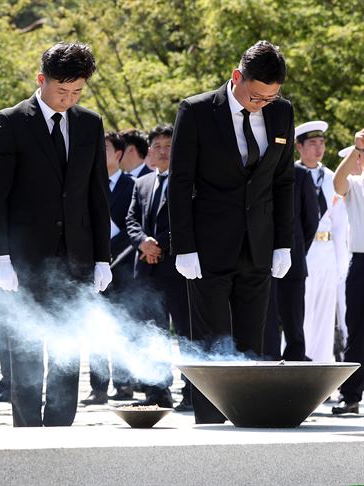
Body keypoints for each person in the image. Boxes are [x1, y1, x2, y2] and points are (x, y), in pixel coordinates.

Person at [168, 41, 295, 424]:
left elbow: (283, 181)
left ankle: (249, 423)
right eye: (257, 96)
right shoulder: (197, 111)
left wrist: (282, 244)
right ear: (237, 77)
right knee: (211, 344)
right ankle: (211, 426)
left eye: (270, 98)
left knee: (250, 342)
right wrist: (184, 247)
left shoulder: (281, 112)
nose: (262, 103)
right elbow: (179, 183)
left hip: (259, 246)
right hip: (207, 248)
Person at [0, 42, 112, 427]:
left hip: (75, 257)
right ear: (42, 79)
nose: (68, 99)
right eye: (62, 91)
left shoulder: (90, 123)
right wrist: (1, 256)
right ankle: (27, 431)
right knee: (25, 350)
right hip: (23, 261)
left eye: (77, 92)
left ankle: (61, 429)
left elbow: (96, 194)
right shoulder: (10, 122)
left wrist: (102, 257)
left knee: (67, 352)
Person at [126, 123, 190, 410]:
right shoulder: (141, 183)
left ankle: (193, 392)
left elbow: (186, 219)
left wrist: (159, 244)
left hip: (176, 270)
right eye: (158, 146)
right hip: (146, 271)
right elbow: (131, 220)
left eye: (169, 145)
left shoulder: (187, 180)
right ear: (149, 151)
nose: (163, 151)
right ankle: (157, 390)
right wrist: (143, 242)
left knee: (186, 332)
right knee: (151, 333)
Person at [81, 131, 134, 405]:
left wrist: (112, 240)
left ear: (118, 154)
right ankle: (97, 387)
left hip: (123, 266)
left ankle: (124, 383)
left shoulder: (132, 185)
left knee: (121, 327)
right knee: (95, 328)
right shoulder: (85, 183)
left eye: (104, 149)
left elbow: (135, 225)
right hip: (93, 268)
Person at [294, 121, 349, 362]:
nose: (319, 149)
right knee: (299, 314)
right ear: (299, 147)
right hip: (301, 252)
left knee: (325, 316)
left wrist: (341, 264)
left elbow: (339, 225)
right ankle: (297, 365)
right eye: (313, 143)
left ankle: (321, 367)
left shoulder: (331, 178)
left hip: (325, 251)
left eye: (322, 143)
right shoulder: (291, 176)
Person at [263, 162, 319, 360]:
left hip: (293, 264)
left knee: (294, 326)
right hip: (262, 263)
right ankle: (269, 373)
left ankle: (297, 373)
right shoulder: (259, 169)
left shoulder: (300, 175)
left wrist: (296, 250)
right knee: (267, 326)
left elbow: (311, 220)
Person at [332, 128, 364, 415]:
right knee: (356, 331)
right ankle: (350, 395)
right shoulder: (356, 182)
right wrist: (357, 147)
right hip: (361, 262)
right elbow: (337, 183)